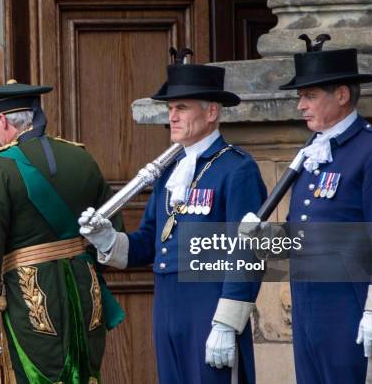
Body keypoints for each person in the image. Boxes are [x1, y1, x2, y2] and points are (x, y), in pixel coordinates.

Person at [79, 49, 267, 383]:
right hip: (168, 307)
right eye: (170, 109)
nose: (173, 117)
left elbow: (250, 253)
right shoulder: (170, 171)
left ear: (211, 112)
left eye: (181, 107)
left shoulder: (237, 168)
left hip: (210, 306)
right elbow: (150, 242)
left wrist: (227, 322)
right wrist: (107, 239)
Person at [241, 35, 372, 383]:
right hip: (308, 309)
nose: (301, 105)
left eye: (310, 96)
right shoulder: (314, 152)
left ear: (342, 95)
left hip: (351, 306)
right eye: (301, 97)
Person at [0, 81, 124, 384]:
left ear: (3, 121)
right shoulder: (80, 157)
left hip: (33, 297)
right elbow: (113, 229)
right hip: (85, 287)